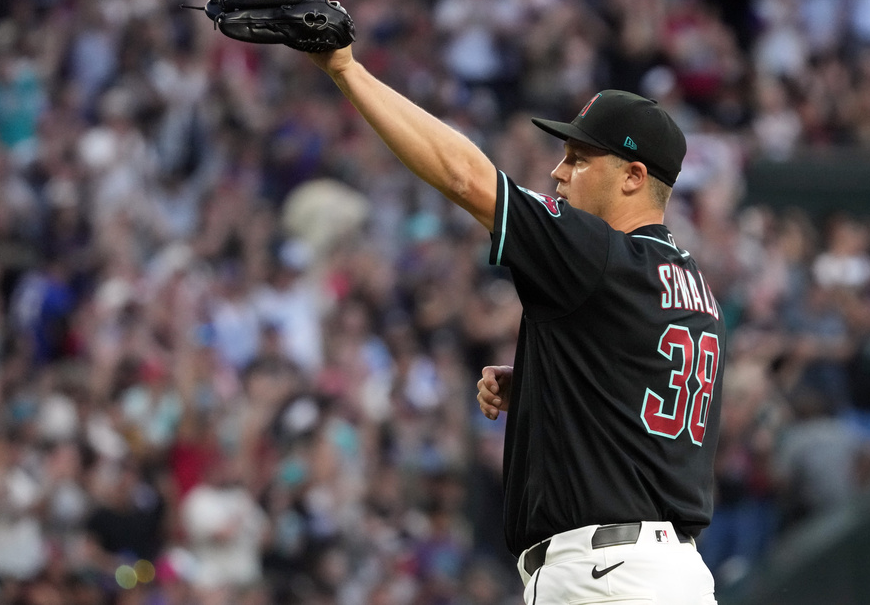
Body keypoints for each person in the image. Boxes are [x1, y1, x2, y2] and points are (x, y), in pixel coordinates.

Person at [305, 41, 725, 604]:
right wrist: (546, 382)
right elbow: (642, 407)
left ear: (632, 176)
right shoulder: (693, 288)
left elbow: (464, 178)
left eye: (579, 158)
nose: (558, 171)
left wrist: (345, 69)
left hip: (602, 575)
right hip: (671, 574)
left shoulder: (600, 255)